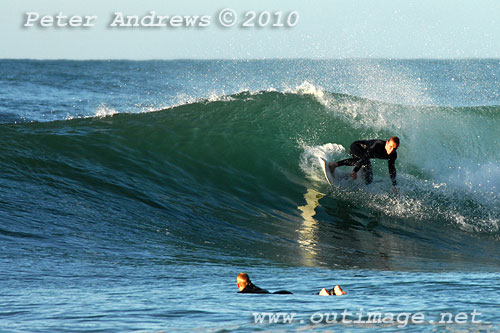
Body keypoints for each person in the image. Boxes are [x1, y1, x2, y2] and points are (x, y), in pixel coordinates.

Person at [328, 137, 400, 191]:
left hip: (364, 156)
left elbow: (391, 169)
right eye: (390, 146)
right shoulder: (378, 145)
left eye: (394, 149)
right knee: (364, 161)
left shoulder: (393, 155)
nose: (391, 150)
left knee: (369, 179)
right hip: (356, 147)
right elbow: (365, 157)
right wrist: (355, 170)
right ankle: (335, 165)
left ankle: (349, 176)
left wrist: (394, 185)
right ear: (387, 143)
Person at [236, 273, 346, 296]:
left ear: (238, 284)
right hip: (280, 292)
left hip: (279, 295)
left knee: (305, 297)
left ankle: (324, 293)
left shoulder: (245, 292)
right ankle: (333, 291)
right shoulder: (253, 286)